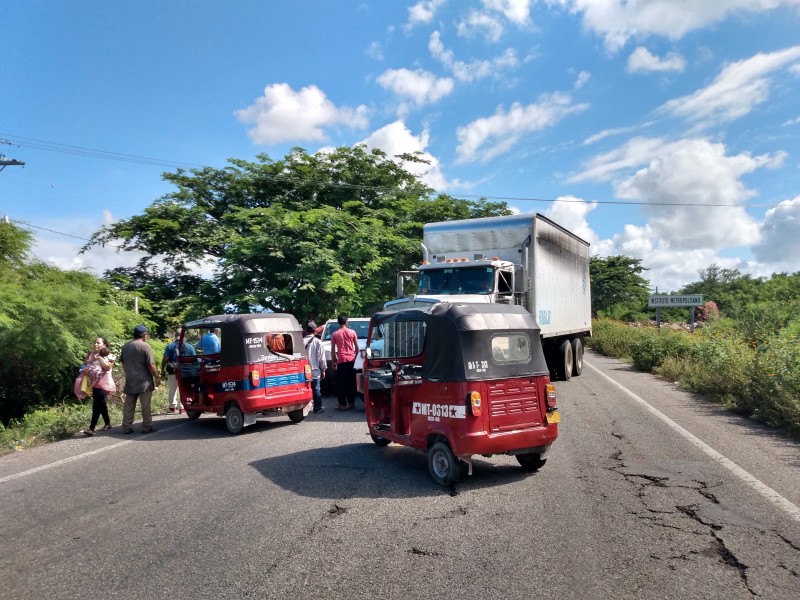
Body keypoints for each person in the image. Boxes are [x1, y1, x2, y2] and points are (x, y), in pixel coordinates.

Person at [119, 324, 161, 434]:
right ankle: (147, 426)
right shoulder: (145, 346)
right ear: (144, 335)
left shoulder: (126, 346)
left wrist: (129, 373)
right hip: (144, 381)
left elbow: (123, 363)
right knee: (145, 405)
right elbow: (151, 364)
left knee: (129, 404)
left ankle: (126, 427)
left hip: (131, 380)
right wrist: (156, 377)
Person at [81, 337, 117, 436]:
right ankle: (108, 423)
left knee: (96, 404)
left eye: (98, 343)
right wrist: (91, 360)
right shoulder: (91, 354)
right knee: (101, 403)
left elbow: (107, 367)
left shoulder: (110, 355)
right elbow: (85, 363)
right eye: (95, 343)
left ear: (104, 345)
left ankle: (91, 428)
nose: (95, 345)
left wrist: (100, 358)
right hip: (93, 382)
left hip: (105, 383)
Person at [161, 328, 196, 413]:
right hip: (185, 371)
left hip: (173, 370)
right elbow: (194, 359)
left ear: (175, 335)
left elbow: (165, 358)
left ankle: (172, 407)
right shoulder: (189, 346)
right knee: (183, 388)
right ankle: (182, 407)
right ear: (183, 336)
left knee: (172, 388)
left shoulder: (170, 346)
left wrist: (162, 369)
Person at [330, 313, 359, 410]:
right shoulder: (352, 332)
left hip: (341, 360)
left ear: (338, 322)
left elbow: (333, 350)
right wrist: (358, 358)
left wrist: (333, 362)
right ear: (346, 321)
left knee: (341, 384)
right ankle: (351, 403)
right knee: (351, 382)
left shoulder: (335, 334)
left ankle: (342, 404)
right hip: (351, 360)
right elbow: (357, 347)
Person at [303, 321, 326, 414]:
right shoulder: (318, 342)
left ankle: (303, 408)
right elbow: (322, 358)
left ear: (306, 330)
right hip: (315, 371)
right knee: (316, 390)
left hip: (303, 372)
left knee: (305, 389)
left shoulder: (300, 342)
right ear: (314, 331)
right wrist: (323, 369)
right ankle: (317, 408)